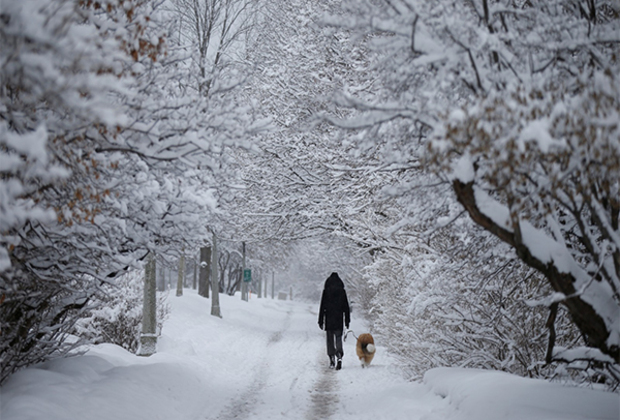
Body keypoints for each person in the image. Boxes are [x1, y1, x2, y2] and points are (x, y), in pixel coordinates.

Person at [318, 272, 350, 370]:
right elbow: (346, 307)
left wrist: (321, 320)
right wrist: (347, 321)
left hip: (329, 318)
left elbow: (322, 306)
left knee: (330, 339)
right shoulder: (342, 291)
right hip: (338, 318)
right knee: (338, 338)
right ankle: (339, 355)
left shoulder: (326, 291)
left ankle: (331, 358)